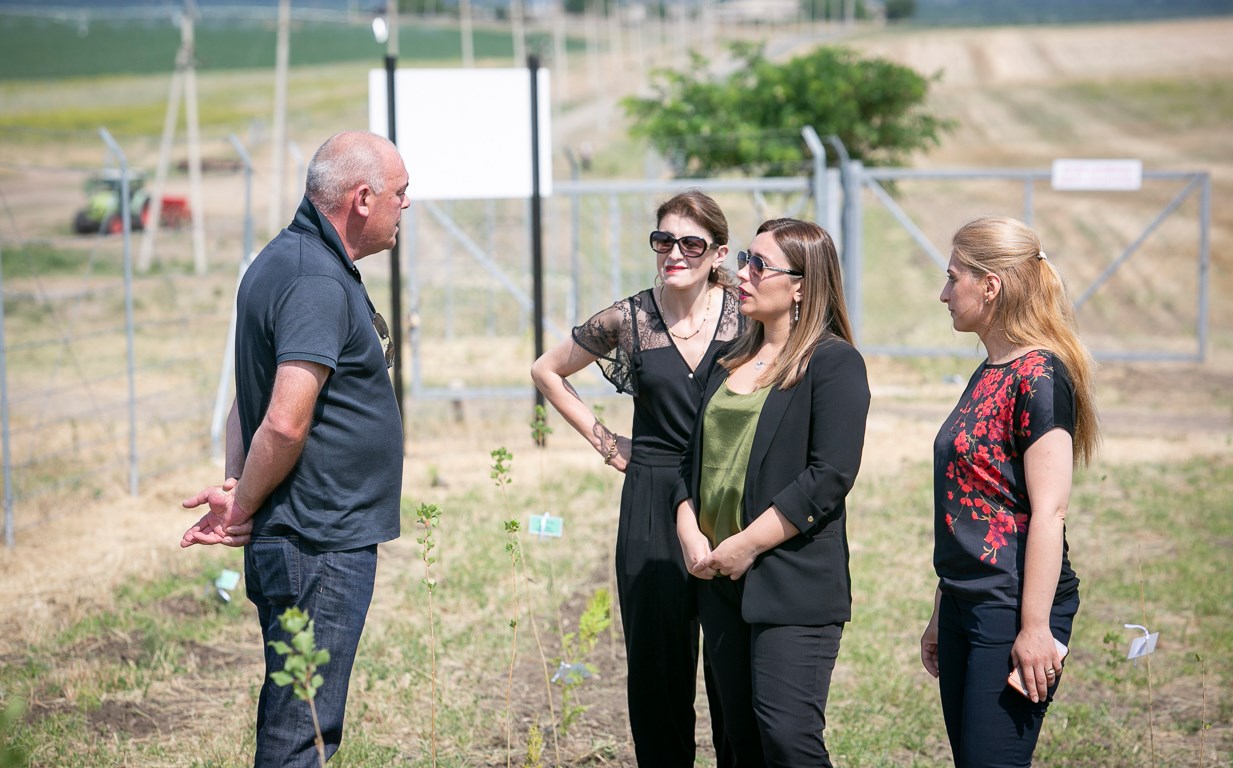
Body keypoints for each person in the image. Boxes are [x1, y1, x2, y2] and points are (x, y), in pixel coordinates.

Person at [179, 130, 409, 767]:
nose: (406, 204)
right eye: (400, 192)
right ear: (362, 199)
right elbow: (281, 422)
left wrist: (237, 485)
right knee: (302, 727)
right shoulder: (314, 279)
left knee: (298, 712)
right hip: (318, 542)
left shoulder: (284, 260)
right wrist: (243, 504)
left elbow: (245, 399)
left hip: (307, 535)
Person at [531, 190, 740, 766]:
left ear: (719, 253)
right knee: (657, 667)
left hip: (728, 492)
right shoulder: (630, 318)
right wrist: (605, 441)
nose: (675, 253)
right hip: (651, 493)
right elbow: (546, 370)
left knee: (732, 664)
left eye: (691, 243)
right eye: (663, 240)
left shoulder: (746, 316)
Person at [674, 218, 870, 767]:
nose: (743, 273)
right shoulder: (726, 360)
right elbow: (691, 461)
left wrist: (747, 544)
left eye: (759, 265)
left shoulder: (833, 363)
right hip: (718, 578)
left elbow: (829, 475)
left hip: (790, 581)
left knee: (787, 739)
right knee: (739, 743)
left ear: (801, 286)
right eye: (745, 259)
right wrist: (689, 529)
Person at [920, 216, 1100, 768]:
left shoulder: (1039, 375)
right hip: (966, 600)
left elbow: (1050, 511)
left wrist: (1036, 628)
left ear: (990, 286)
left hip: (1012, 606)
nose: (944, 294)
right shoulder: (989, 371)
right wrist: (943, 607)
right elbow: (973, 505)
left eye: (953, 278)